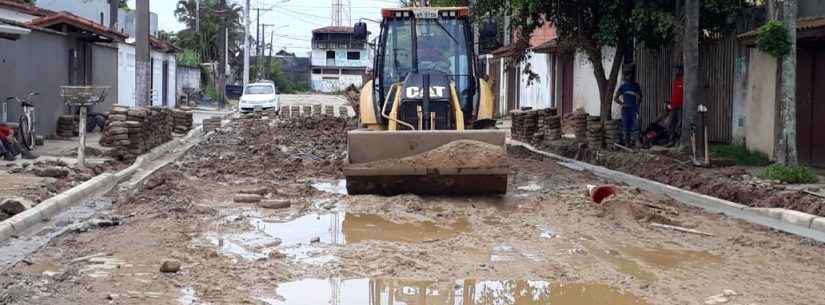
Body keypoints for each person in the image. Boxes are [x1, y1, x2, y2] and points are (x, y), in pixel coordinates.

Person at [614, 71, 643, 147]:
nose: (629, 77)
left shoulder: (636, 86)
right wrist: (623, 104)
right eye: (628, 76)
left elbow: (640, 96)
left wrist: (638, 104)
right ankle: (627, 143)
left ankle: (637, 142)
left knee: (636, 125)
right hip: (626, 110)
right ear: (625, 76)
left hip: (634, 109)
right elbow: (615, 98)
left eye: (631, 76)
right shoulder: (623, 87)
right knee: (626, 126)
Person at [666, 65, 684, 147]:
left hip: (681, 106)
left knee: (679, 124)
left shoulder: (685, 80)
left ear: (681, 70)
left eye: (677, 70)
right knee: (670, 123)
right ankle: (671, 141)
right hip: (674, 105)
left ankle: (678, 141)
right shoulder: (675, 80)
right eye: (675, 69)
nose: (676, 71)